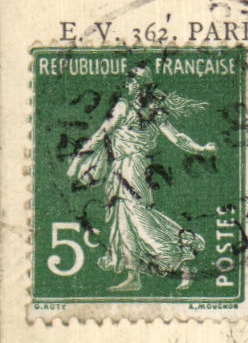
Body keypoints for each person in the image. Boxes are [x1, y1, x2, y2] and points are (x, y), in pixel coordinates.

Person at [69, 61, 217, 292]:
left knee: (138, 220)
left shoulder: (124, 107)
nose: (127, 84)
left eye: (130, 80)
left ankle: (183, 258)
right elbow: (177, 138)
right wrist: (200, 149)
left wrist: (78, 160)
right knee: (125, 222)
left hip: (129, 168)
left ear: (137, 85)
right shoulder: (153, 111)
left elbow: (100, 135)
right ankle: (134, 278)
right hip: (128, 169)